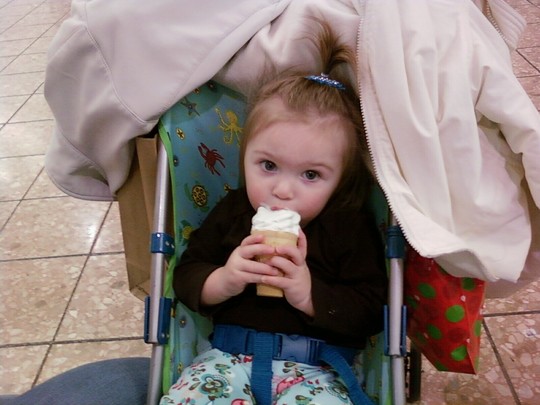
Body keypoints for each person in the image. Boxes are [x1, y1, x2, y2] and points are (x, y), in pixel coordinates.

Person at [160, 22, 387, 405]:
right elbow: (185, 275)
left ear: (340, 181)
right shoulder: (234, 212)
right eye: (268, 165)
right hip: (225, 361)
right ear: (244, 157)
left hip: (317, 370)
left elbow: (371, 310)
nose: (282, 189)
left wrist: (308, 293)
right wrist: (224, 279)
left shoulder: (347, 226)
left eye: (311, 175)